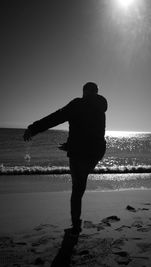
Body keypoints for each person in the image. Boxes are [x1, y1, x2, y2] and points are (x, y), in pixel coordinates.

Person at [23, 82, 107, 236]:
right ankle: (76, 223)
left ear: (84, 91)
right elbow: (91, 132)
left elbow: (57, 117)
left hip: (80, 154)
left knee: (77, 190)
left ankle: (75, 226)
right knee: (80, 186)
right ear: (96, 92)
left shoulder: (78, 104)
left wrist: (33, 128)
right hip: (95, 154)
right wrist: (70, 144)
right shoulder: (101, 109)